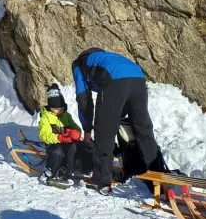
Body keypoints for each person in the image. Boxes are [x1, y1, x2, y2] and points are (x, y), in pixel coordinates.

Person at [72, 48, 161, 194]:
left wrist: (87, 130)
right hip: (138, 78)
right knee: (143, 129)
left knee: (104, 131)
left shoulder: (79, 64)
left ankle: (101, 181)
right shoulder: (107, 57)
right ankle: (158, 180)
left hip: (115, 80)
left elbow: (83, 98)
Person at [38, 83, 83, 187]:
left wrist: (76, 132)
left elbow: (75, 127)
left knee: (73, 147)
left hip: (66, 141)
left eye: (61, 108)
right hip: (53, 143)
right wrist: (59, 137)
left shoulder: (66, 116)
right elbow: (44, 134)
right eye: (56, 109)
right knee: (58, 151)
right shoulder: (46, 117)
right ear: (50, 107)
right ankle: (50, 171)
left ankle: (67, 173)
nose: (59, 111)